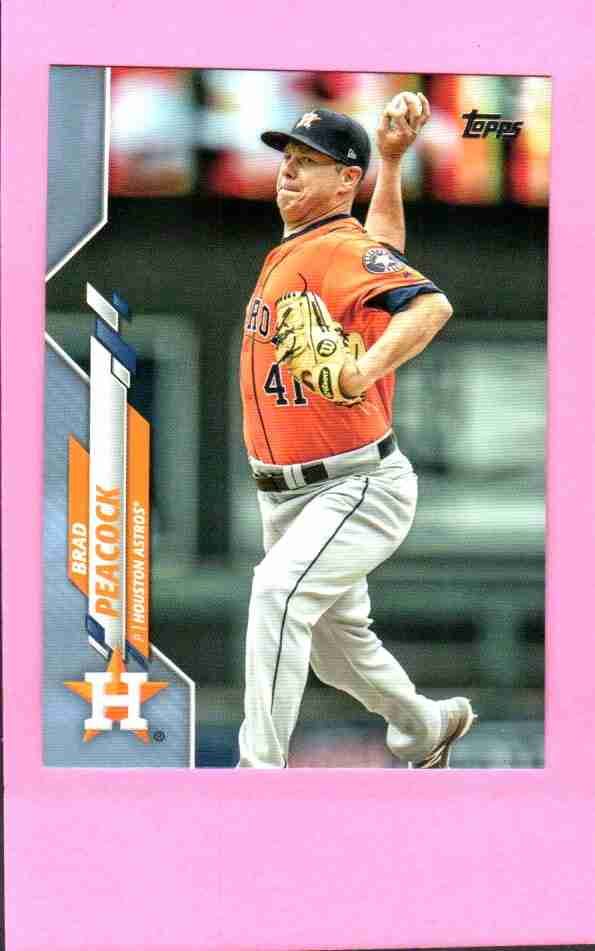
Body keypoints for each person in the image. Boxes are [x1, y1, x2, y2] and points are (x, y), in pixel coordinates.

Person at [237, 93, 476, 768]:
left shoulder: (333, 247)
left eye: (308, 161)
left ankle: (255, 777)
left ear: (346, 180)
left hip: (355, 484)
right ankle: (425, 724)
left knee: (277, 593)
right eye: (287, 156)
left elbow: (429, 305)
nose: (288, 169)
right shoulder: (315, 249)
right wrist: (393, 164)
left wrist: (359, 371)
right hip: (289, 494)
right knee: (335, 653)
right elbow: (385, 252)